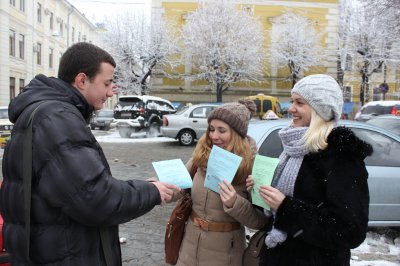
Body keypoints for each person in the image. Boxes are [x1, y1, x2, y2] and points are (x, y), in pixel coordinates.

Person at [0, 42, 179, 265]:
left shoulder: (47, 112)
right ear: (82, 80)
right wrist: (151, 192)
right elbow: (94, 197)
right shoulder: (58, 118)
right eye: (106, 83)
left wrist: (145, 187)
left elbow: (79, 186)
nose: (110, 91)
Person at [247, 74, 372, 266]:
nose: (291, 108)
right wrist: (260, 192)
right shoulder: (294, 148)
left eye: (300, 103)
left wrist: (286, 207)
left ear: (320, 109)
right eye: (292, 101)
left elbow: (350, 231)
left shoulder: (342, 158)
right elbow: (277, 211)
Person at [174, 99, 270, 266]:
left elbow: (261, 221)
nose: (214, 136)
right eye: (211, 129)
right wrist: (157, 188)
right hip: (188, 248)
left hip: (226, 254)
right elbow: (179, 185)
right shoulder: (202, 156)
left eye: (222, 130)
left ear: (237, 134)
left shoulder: (252, 166)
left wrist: (235, 203)